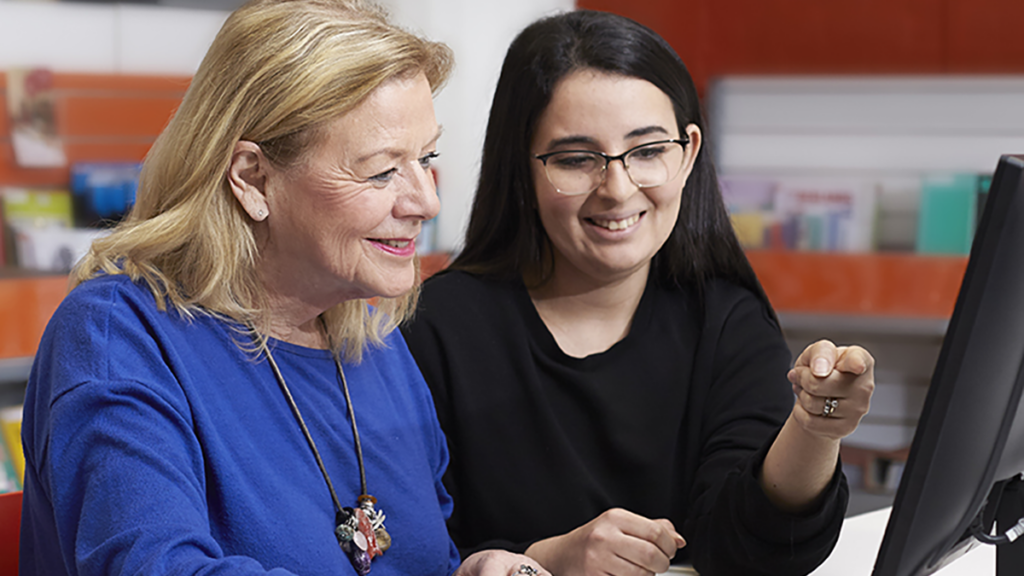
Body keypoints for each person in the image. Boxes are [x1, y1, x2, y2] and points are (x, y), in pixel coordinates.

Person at [18, 2, 550, 576]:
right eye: (381, 170)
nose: (426, 201)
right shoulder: (118, 336)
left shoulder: (376, 340)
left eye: (427, 159)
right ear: (252, 178)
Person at [401, 9, 875, 576]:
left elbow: (750, 547)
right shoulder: (435, 331)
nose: (618, 189)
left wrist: (814, 429)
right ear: (520, 170)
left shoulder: (726, 319)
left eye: (648, 151)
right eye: (576, 160)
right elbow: (409, 553)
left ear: (688, 154)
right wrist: (545, 559)